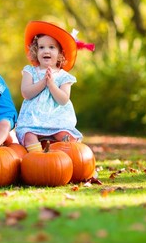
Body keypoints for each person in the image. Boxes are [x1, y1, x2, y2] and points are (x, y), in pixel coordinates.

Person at [15, 21, 95, 152]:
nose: (46, 50)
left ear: (60, 53)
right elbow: (26, 93)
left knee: (65, 137)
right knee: (29, 136)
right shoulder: (30, 71)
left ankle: (65, 161)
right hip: (33, 121)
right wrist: (43, 83)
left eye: (51, 47)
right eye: (41, 47)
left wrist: (51, 84)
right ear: (36, 51)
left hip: (57, 120)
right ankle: (37, 161)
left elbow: (63, 99)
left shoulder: (64, 76)